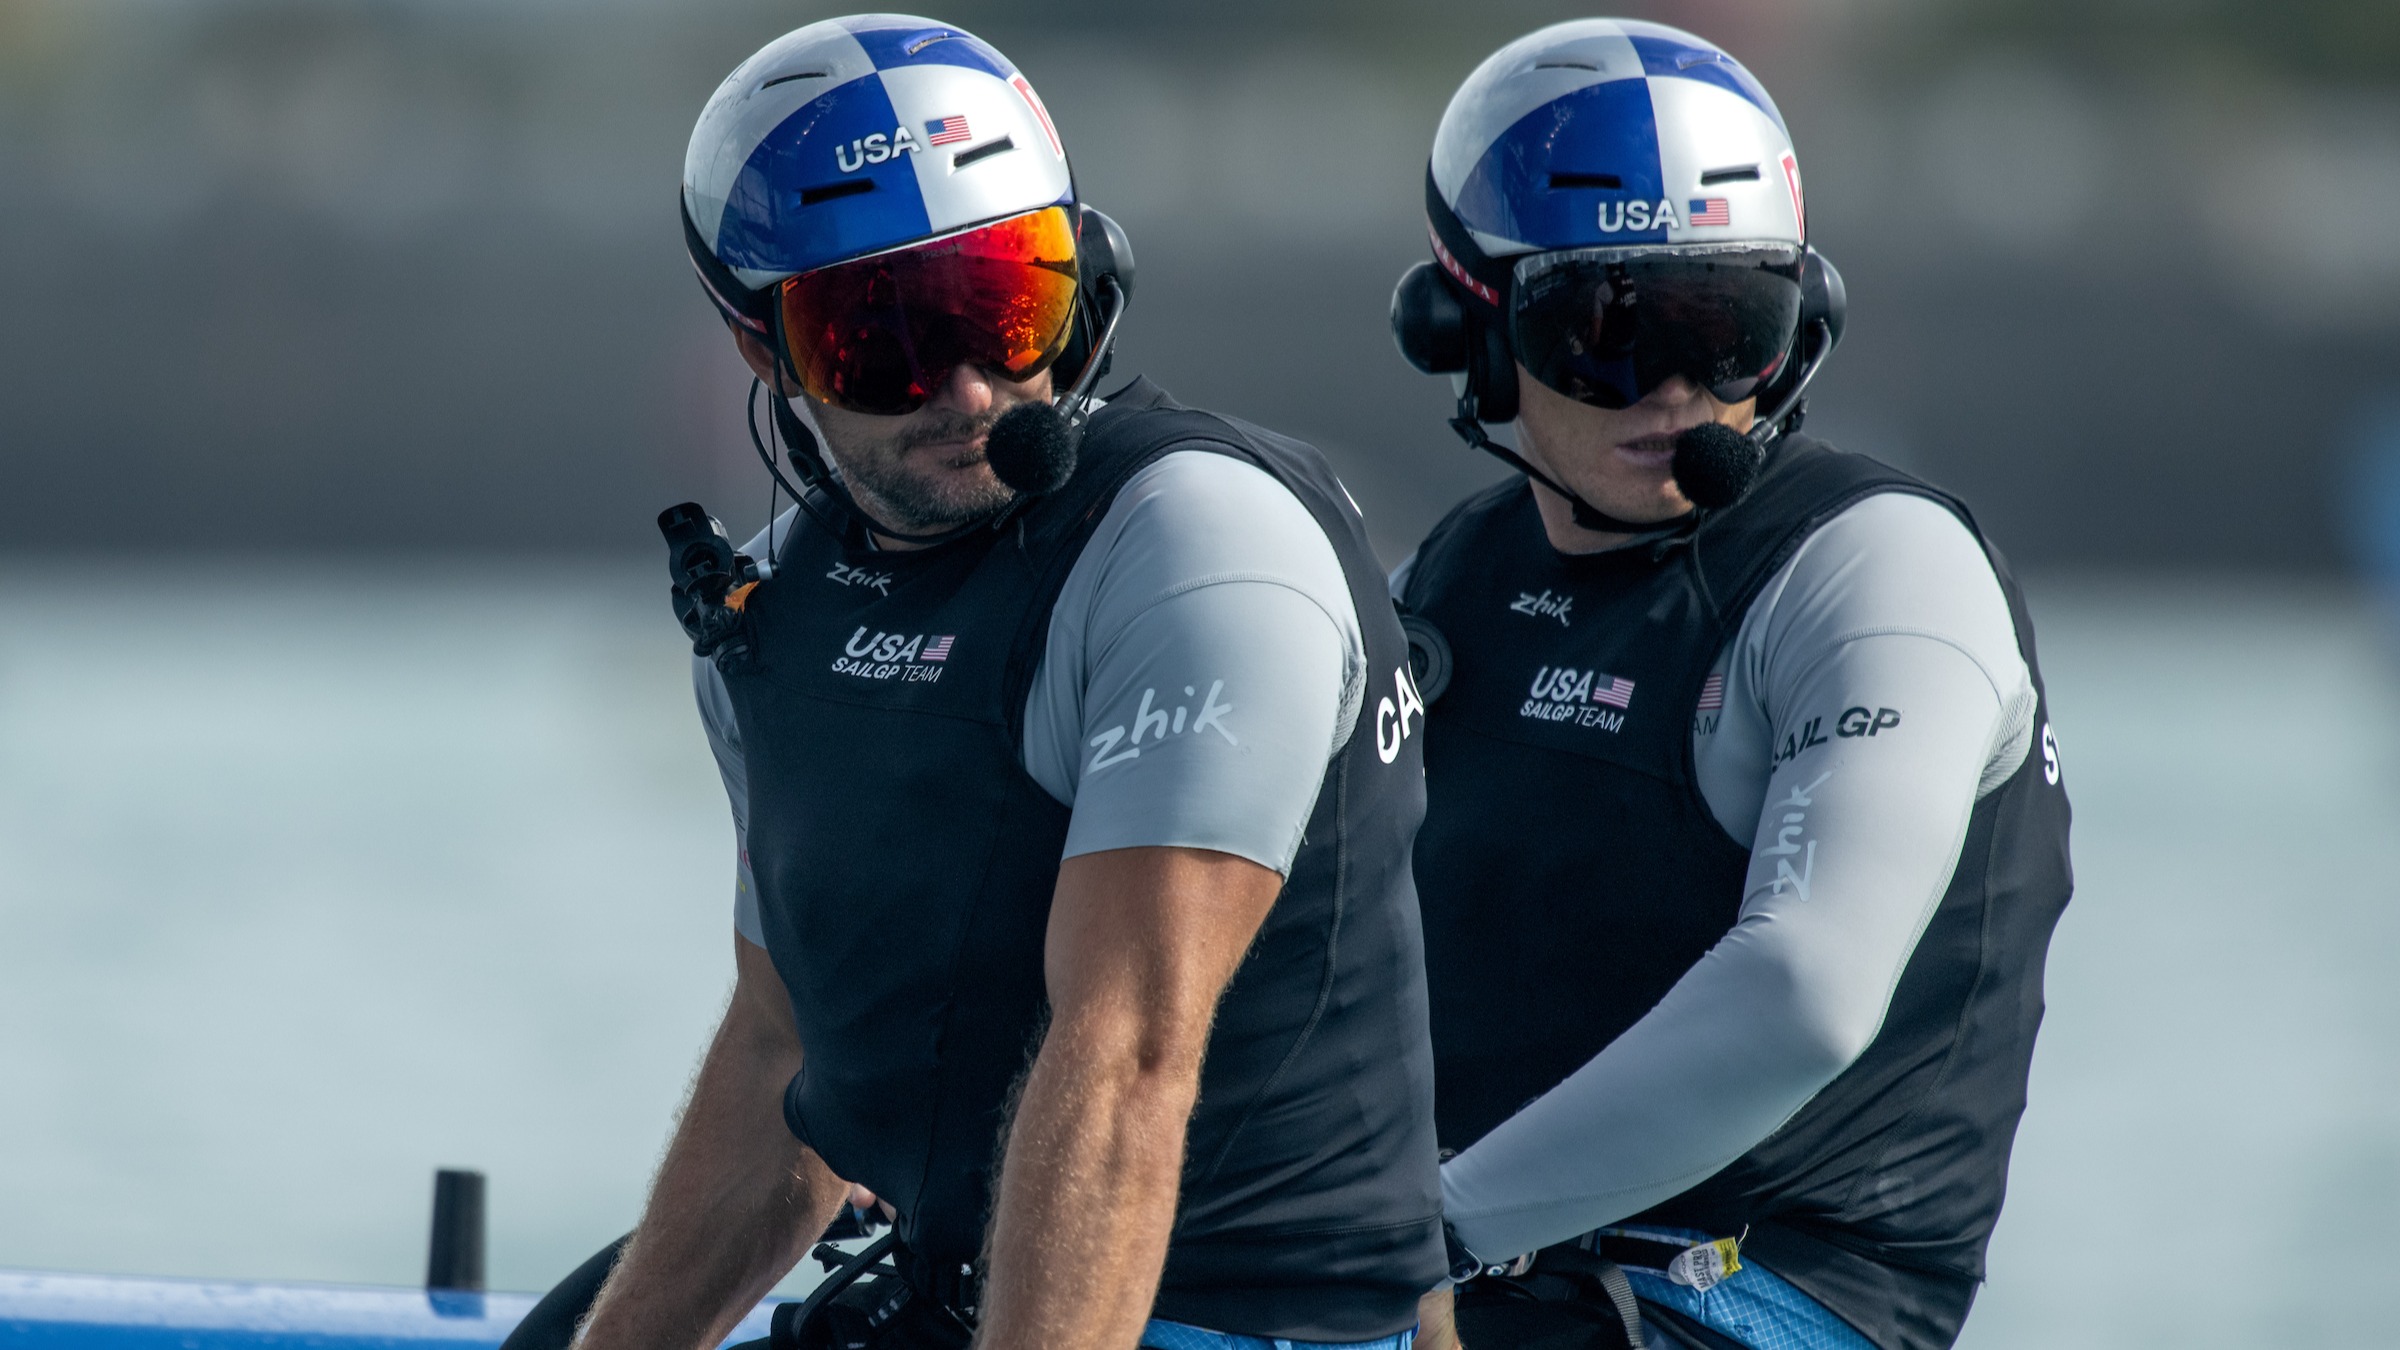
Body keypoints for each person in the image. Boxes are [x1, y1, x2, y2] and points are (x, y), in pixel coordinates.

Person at [568, 15, 1447, 1350]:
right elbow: (782, 1051)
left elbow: (1127, 1059)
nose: (970, 388)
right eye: (879, 341)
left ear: (1083, 282)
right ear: (765, 351)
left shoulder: (1200, 549)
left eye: (1003, 303)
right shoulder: (769, 603)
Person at [1385, 20, 2074, 1350]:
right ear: (1467, 330)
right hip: (1463, 1275)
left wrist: (1420, 1237)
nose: (1677, 392)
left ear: (1800, 326)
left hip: (1747, 1295)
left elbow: (1804, 991)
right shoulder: (1446, 575)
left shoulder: (1881, 569)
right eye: (1606, 332)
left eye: (1728, 328)